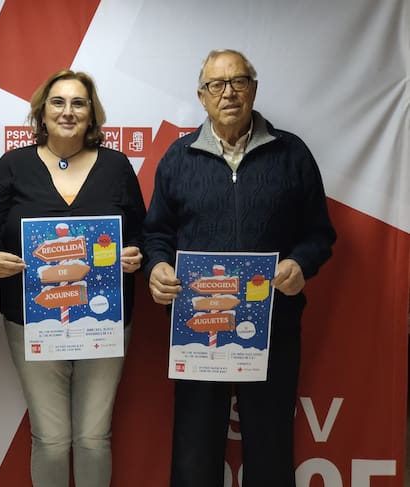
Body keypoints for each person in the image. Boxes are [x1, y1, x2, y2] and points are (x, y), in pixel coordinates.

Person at [143, 49, 336, 487]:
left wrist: (300, 263)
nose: (228, 92)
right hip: (198, 326)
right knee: (194, 449)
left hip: (271, 324)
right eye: (217, 84)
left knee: (270, 446)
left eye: (238, 81)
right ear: (202, 96)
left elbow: (319, 233)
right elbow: (157, 234)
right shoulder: (178, 157)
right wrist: (157, 267)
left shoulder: (291, 153)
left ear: (254, 89)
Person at [0, 69, 146, 486]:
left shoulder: (117, 166)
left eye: (78, 103)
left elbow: (143, 235)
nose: (68, 111)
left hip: (104, 319)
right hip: (33, 320)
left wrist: (136, 255)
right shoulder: (13, 166)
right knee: (50, 440)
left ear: (91, 115)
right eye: (58, 102)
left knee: (93, 438)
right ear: (42, 113)